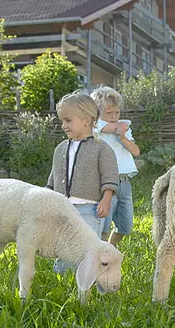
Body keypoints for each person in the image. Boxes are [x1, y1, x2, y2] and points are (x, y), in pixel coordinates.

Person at [47, 90, 119, 273]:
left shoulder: (101, 148)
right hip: (62, 208)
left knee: (87, 249)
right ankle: (63, 278)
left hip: (90, 209)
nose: (64, 125)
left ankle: (87, 281)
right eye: (62, 121)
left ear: (86, 120)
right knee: (63, 245)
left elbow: (110, 175)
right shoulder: (60, 149)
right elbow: (53, 177)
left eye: (68, 120)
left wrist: (106, 198)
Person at [90, 86, 141, 247]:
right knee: (103, 225)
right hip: (105, 182)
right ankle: (100, 254)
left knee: (125, 226)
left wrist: (124, 139)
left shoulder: (123, 129)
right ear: (98, 113)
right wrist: (121, 127)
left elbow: (136, 151)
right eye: (108, 113)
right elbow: (111, 127)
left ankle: (110, 248)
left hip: (124, 181)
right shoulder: (96, 126)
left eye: (117, 112)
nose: (114, 117)